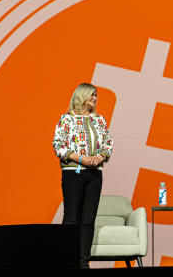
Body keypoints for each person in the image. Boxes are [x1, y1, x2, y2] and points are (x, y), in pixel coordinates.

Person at [53, 83, 113, 268]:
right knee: (71, 217)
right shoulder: (66, 120)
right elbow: (58, 145)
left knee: (89, 219)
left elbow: (108, 143)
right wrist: (81, 159)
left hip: (95, 175)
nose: (95, 99)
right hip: (73, 173)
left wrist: (99, 157)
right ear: (81, 96)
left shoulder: (99, 120)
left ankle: (83, 262)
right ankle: (67, 261)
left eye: (96, 96)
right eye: (91, 95)